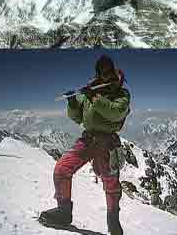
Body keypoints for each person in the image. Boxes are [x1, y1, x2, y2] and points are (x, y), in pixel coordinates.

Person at [39, 55, 130, 235]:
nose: (105, 73)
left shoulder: (122, 93)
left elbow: (115, 113)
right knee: (62, 169)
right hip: (88, 140)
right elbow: (78, 117)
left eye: (107, 69)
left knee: (111, 184)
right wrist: (73, 103)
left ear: (112, 70)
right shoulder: (91, 90)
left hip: (108, 144)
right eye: (101, 70)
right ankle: (64, 212)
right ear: (98, 72)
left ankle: (113, 222)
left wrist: (95, 98)